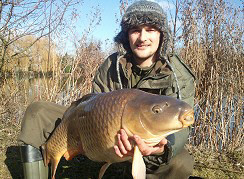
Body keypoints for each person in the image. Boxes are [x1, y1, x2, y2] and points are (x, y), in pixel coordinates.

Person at [18, 0, 196, 178]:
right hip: (101, 139)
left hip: (152, 146)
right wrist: (86, 141)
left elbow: (182, 129)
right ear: (127, 36)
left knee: (182, 162)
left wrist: (162, 148)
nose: (142, 38)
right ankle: (47, 161)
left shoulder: (178, 74)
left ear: (161, 35)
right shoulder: (112, 64)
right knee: (38, 112)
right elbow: (92, 107)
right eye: (135, 30)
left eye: (150, 29)